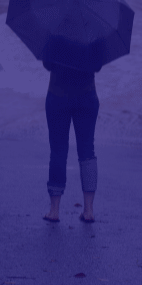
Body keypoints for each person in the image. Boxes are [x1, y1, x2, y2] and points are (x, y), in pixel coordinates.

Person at [42, 60, 99, 223]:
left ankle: (54, 211)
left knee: (58, 151)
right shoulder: (92, 41)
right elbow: (97, 65)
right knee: (87, 151)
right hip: (87, 95)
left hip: (58, 95)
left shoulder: (56, 41)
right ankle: (88, 210)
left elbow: (47, 63)